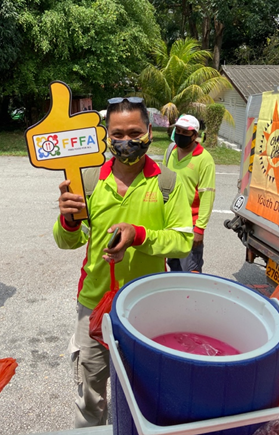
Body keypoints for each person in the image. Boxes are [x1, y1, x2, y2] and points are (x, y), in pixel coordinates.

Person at [55, 97, 193, 428]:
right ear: (106, 135)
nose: (126, 140)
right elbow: (67, 242)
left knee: (142, 394)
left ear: (149, 131)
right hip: (93, 305)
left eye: (134, 131)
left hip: (145, 309)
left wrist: (140, 235)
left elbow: (183, 239)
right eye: (117, 133)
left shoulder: (168, 183)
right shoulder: (89, 182)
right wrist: (70, 221)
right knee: (91, 397)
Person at [164, 114, 216, 273]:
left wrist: (199, 229)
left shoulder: (204, 159)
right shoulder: (171, 151)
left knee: (190, 272)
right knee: (173, 266)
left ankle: (190, 298)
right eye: (178, 130)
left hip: (190, 224)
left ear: (195, 136)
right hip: (170, 222)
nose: (180, 134)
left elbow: (207, 196)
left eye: (185, 132)